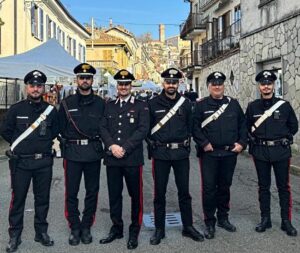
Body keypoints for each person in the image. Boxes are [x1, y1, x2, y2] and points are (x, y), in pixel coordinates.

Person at [0, 70, 59, 252]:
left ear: (43, 88)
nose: (35, 88)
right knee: (18, 199)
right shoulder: (16, 109)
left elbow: (55, 131)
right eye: (32, 85)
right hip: (21, 163)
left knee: (42, 199)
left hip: (43, 163)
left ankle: (41, 232)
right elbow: (5, 130)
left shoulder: (50, 110)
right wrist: (21, 146)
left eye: (39, 85)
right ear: (27, 87)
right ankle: (15, 235)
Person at [147, 67, 204, 245]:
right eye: (168, 82)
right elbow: (147, 129)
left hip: (180, 153)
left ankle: (188, 226)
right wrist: (153, 146)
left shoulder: (186, 104)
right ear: (163, 83)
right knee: (159, 193)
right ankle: (159, 229)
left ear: (178, 83)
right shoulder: (153, 103)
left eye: (174, 82)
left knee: (184, 192)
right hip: (161, 153)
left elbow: (191, 126)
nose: (171, 85)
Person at [192, 71, 247, 239]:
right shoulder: (200, 105)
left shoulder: (233, 104)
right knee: (209, 189)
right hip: (209, 153)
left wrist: (242, 144)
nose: (217, 86)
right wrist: (204, 143)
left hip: (229, 153)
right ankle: (210, 221)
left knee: (224, 187)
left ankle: (223, 218)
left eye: (220, 84)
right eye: (213, 84)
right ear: (209, 86)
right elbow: (194, 127)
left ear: (224, 86)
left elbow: (243, 125)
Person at [99, 69, 149, 250]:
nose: (123, 87)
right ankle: (117, 227)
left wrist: (125, 148)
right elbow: (102, 127)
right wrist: (112, 146)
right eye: (120, 84)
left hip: (132, 159)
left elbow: (143, 130)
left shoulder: (141, 105)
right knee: (114, 195)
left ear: (131, 86)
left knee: (136, 196)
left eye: (126, 84)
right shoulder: (109, 105)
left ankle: (134, 229)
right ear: (117, 86)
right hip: (113, 158)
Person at [246, 70, 298, 236]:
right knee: (263, 187)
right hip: (260, 151)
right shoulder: (253, 106)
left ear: (273, 85)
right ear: (259, 86)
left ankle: (286, 221)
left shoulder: (284, 106)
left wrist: (284, 138)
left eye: (269, 84)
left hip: (281, 151)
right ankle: (265, 219)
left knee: (283, 187)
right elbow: (246, 127)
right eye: (263, 84)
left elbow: (294, 126)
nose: (266, 87)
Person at [58, 63, 105, 245]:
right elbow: (60, 128)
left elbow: (105, 129)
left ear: (92, 80)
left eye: (88, 78)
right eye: (81, 77)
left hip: (93, 153)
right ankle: (74, 226)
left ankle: (86, 226)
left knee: (92, 191)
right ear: (76, 80)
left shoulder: (101, 104)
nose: (84, 80)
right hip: (72, 154)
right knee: (71, 192)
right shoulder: (66, 103)